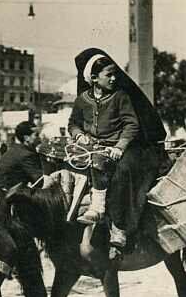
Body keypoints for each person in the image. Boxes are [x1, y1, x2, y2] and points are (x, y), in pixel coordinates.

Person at [69, 49, 167, 258]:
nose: (114, 78)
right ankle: (82, 218)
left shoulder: (120, 97)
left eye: (115, 74)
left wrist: (119, 147)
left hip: (125, 148)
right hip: (95, 148)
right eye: (108, 75)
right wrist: (79, 136)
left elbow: (132, 124)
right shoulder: (82, 100)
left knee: (122, 173)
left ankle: (120, 227)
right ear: (94, 79)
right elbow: (73, 124)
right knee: (73, 169)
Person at [0, 121, 44, 196]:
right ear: (26, 138)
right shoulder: (26, 155)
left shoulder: (16, 150)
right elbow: (40, 181)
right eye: (36, 135)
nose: (39, 138)